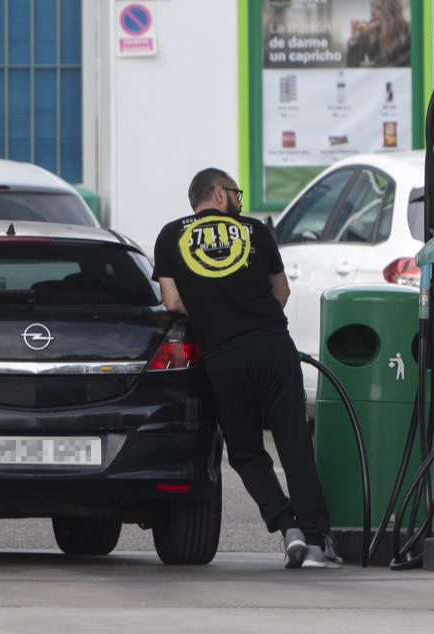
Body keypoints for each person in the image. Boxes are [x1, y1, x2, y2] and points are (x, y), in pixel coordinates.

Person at [153, 167, 342, 569]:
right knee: (293, 442)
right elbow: (282, 291)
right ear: (219, 195)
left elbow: (171, 302)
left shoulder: (170, 236)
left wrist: (213, 315)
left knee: (244, 451)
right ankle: (316, 542)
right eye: (235, 193)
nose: (239, 201)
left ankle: (285, 525)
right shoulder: (255, 231)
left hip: (222, 356)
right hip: (272, 345)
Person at [346, 0, 411, 67]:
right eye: (372, 6)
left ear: (391, 12)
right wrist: (354, 39)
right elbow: (352, 65)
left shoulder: (406, 32)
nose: (372, 12)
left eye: (379, 8)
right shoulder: (369, 31)